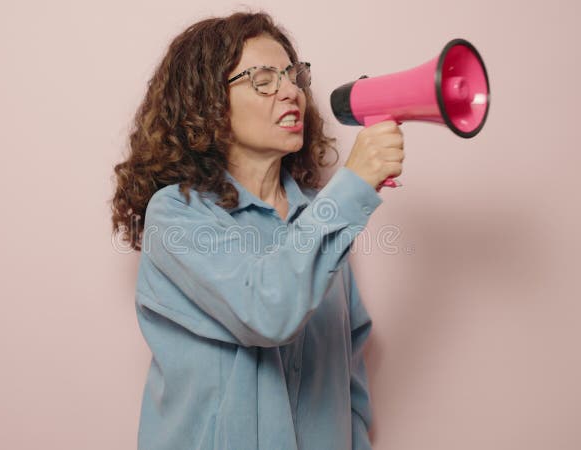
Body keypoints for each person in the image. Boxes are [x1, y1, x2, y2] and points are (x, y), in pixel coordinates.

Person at [111, 11, 405, 450]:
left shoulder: (320, 218)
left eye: (293, 76)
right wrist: (354, 184)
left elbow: (350, 370)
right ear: (206, 103)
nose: (292, 92)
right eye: (263, 79)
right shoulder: (176, 215)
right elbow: (267, 310)